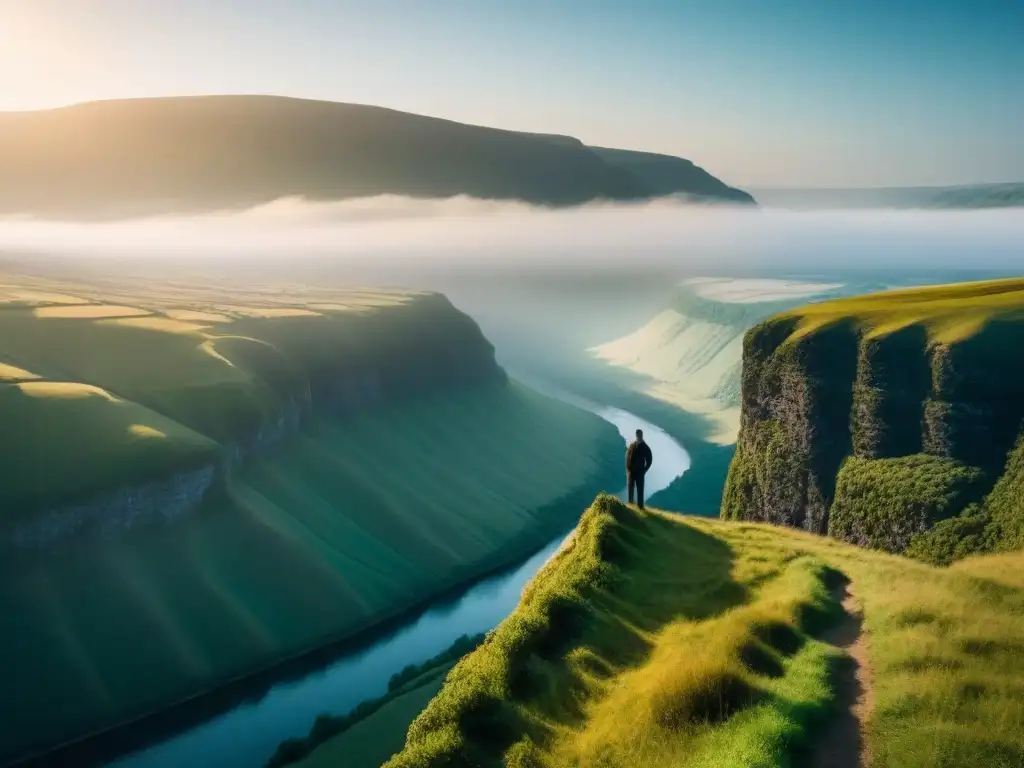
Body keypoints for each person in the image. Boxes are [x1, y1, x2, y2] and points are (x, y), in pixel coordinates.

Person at [625, 428, 653, 509]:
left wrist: (644, 470)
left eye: (639, 434)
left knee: (640, 490)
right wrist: (628, 467)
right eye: (637, 434)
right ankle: (630, 505)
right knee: (630, 488)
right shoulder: (632, 445)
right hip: (631, 472)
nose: (638, 435)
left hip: (639, 472)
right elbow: (627, 456)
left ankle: (640, 507)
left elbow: (649, 459)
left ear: (641, 435)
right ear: (636, 435)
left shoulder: (645, 447)